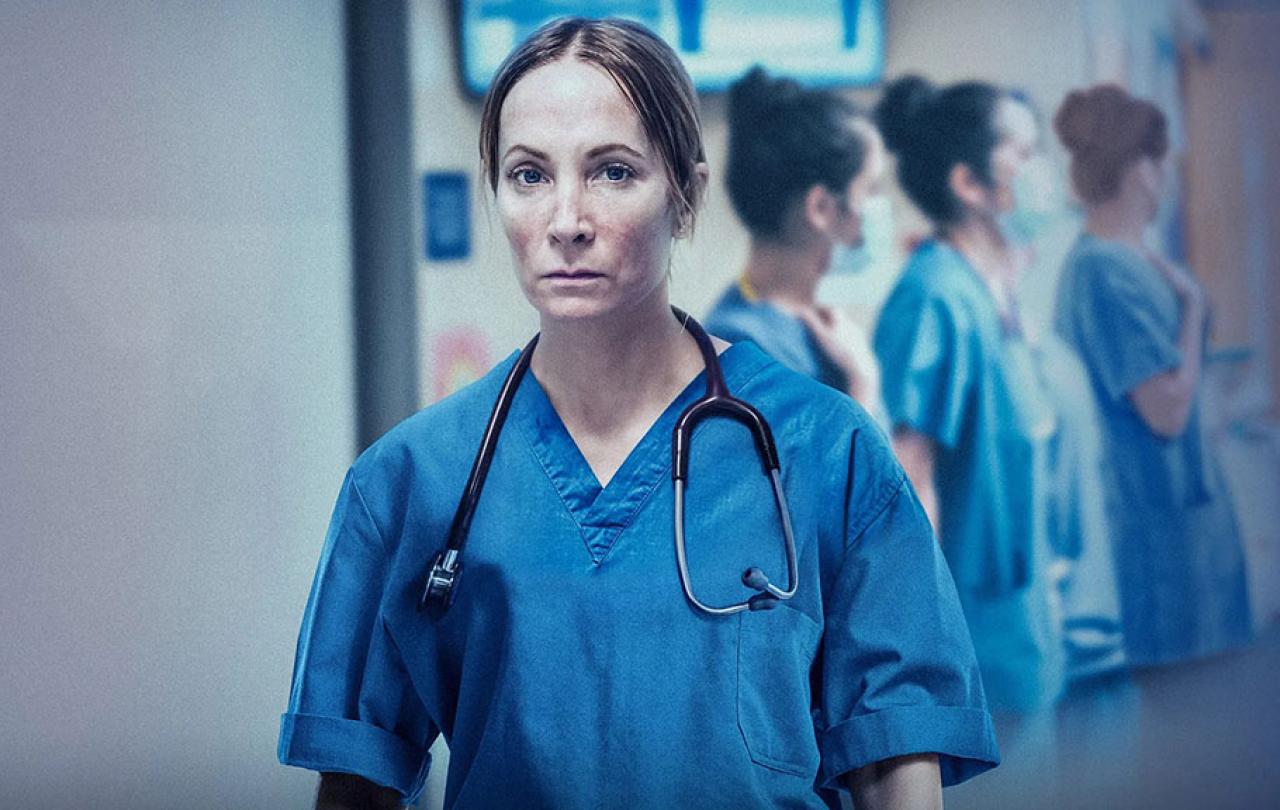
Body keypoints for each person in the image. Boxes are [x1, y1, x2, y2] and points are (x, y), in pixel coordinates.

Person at [278, 19, 997, 809]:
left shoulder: (827, 451)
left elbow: (896, 765)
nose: (566, 219)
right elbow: (354, 783)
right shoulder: (410, 480)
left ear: (684, 196)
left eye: (613, 172)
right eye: (528, 176)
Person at [872, 76, 1065, 724]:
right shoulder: (937, 297)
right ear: (968, 184)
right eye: (1023, 152)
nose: (1042, 171)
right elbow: (905, 487)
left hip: (1022, 647)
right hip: (973, 669)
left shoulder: (993, 293)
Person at [1052, 84, 1252, 676]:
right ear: (1140, 169)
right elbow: (1165, 409)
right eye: (1160, 162)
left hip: (1190, 523)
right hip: (1162, 539)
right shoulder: (1104, 271)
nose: (1166, 176)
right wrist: (1191, 311)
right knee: (1185, 729)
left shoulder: (1134, 259)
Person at [703, 66, 886, 418]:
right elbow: (813, 474)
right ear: (820, 207)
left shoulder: (821, 326)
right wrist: (864, 387)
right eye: (871, 190)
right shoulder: (740, 352)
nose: (878, 212)